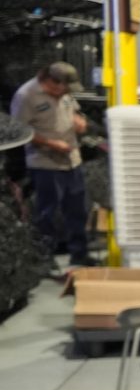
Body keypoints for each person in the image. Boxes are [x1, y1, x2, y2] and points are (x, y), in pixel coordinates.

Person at [11, 61, 90, 266]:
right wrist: (50, 143)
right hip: (45, 163)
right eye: (63, 88)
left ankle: (79, 254)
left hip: (72, 160)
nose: (65, 93)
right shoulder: (26, 96)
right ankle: (45, 259)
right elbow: (18, 131)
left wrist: (79, 121)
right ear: (51, 82)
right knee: (47, 213)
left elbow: (75, 110)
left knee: (77, 210)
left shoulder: (64, 93)